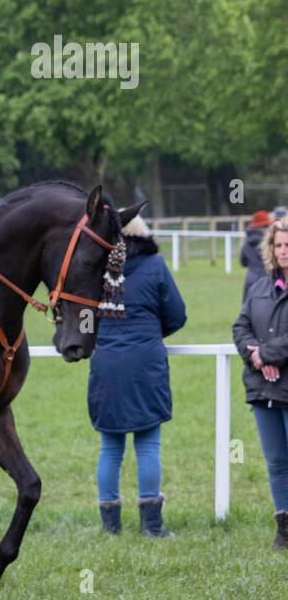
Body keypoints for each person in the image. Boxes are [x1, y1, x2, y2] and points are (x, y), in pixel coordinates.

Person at [87, 216, 186, 537]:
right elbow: (177, 315)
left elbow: (83, 320)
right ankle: (151, 525)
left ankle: (110, 525)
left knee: (110, 447)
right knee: (148, 445)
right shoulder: (155, 266)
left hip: (106, 365)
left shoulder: (95, 270)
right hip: (146, 364)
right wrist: (149, 335)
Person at [232, 215, 288, 551]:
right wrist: (254, 356)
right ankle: (283, 527)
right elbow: (239, 327)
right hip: (263, 388)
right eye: (278, 245)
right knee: (277, 462)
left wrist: (266, 354)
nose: (283, 251)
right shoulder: (260, 286)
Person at [242, 210, 272, 300]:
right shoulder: (267, 243)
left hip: (250, 279)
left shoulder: (246, 242)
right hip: (266, 280)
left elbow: (243, 262)